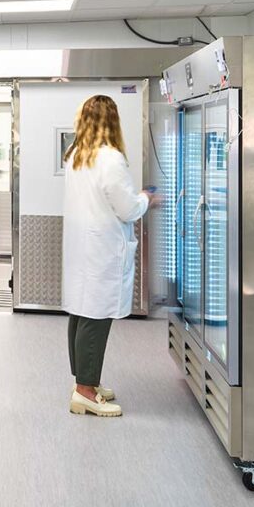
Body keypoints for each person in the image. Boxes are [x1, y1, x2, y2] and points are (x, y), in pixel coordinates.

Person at [62, 95, 159, 417]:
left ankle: (84, 380)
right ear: (112, 121)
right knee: (96, 317)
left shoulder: (76, 154)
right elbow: (128, 209)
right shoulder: (110, 159)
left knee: (81, 313)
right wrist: (146, 198)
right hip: (101, 250)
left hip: (83, 248)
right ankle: (85, 392)